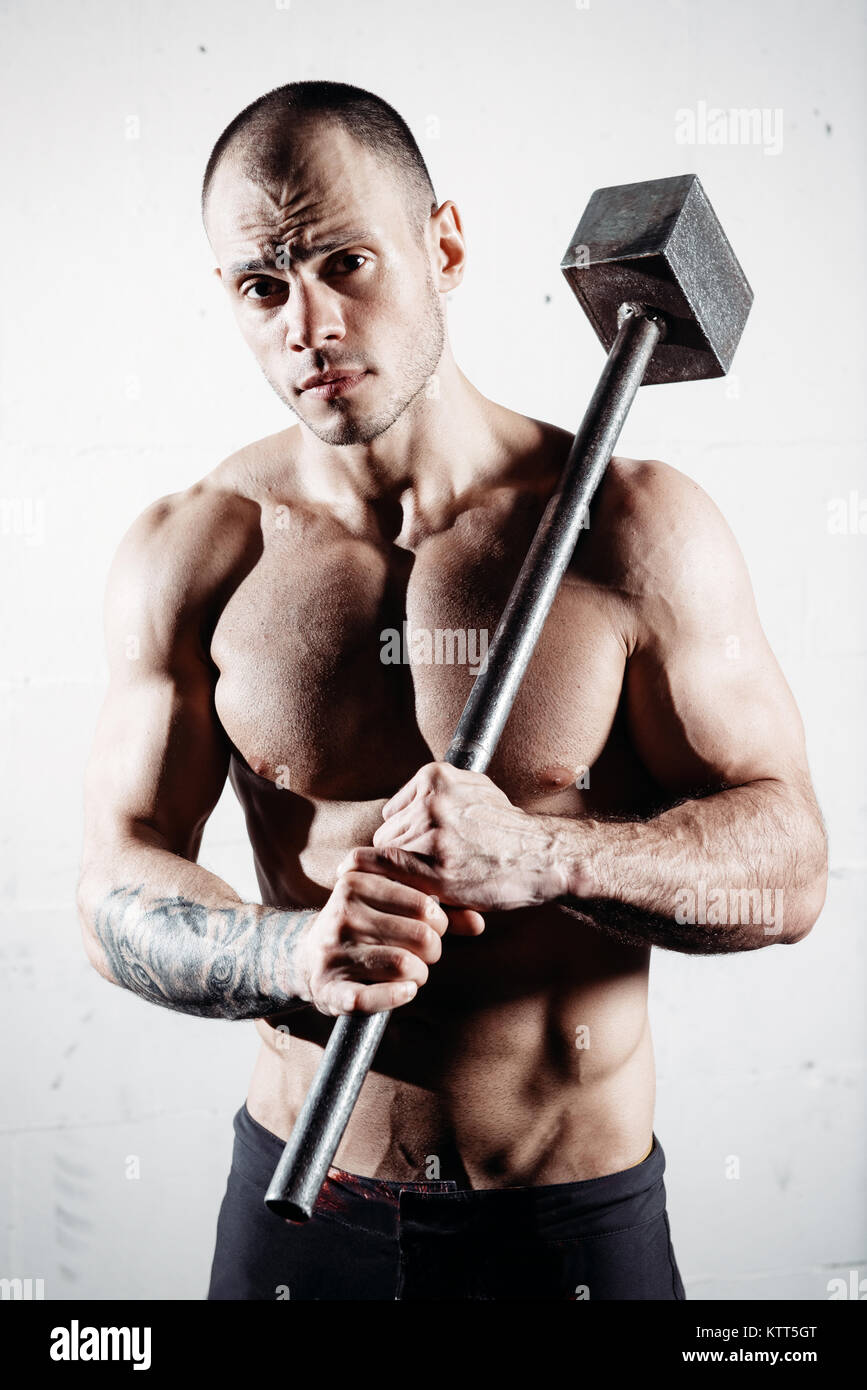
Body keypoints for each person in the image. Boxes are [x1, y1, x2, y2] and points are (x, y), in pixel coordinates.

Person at [76, 80, 828, 1301]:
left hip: (567, 1229)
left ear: (446, 246)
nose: (308, 326)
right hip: (298, 1210)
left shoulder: (634, 529)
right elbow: (113, 877)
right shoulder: (196, 551)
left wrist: (547, 856)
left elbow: (791, 871)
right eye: (262, 286)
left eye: (346, 262)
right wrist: (290, 952)